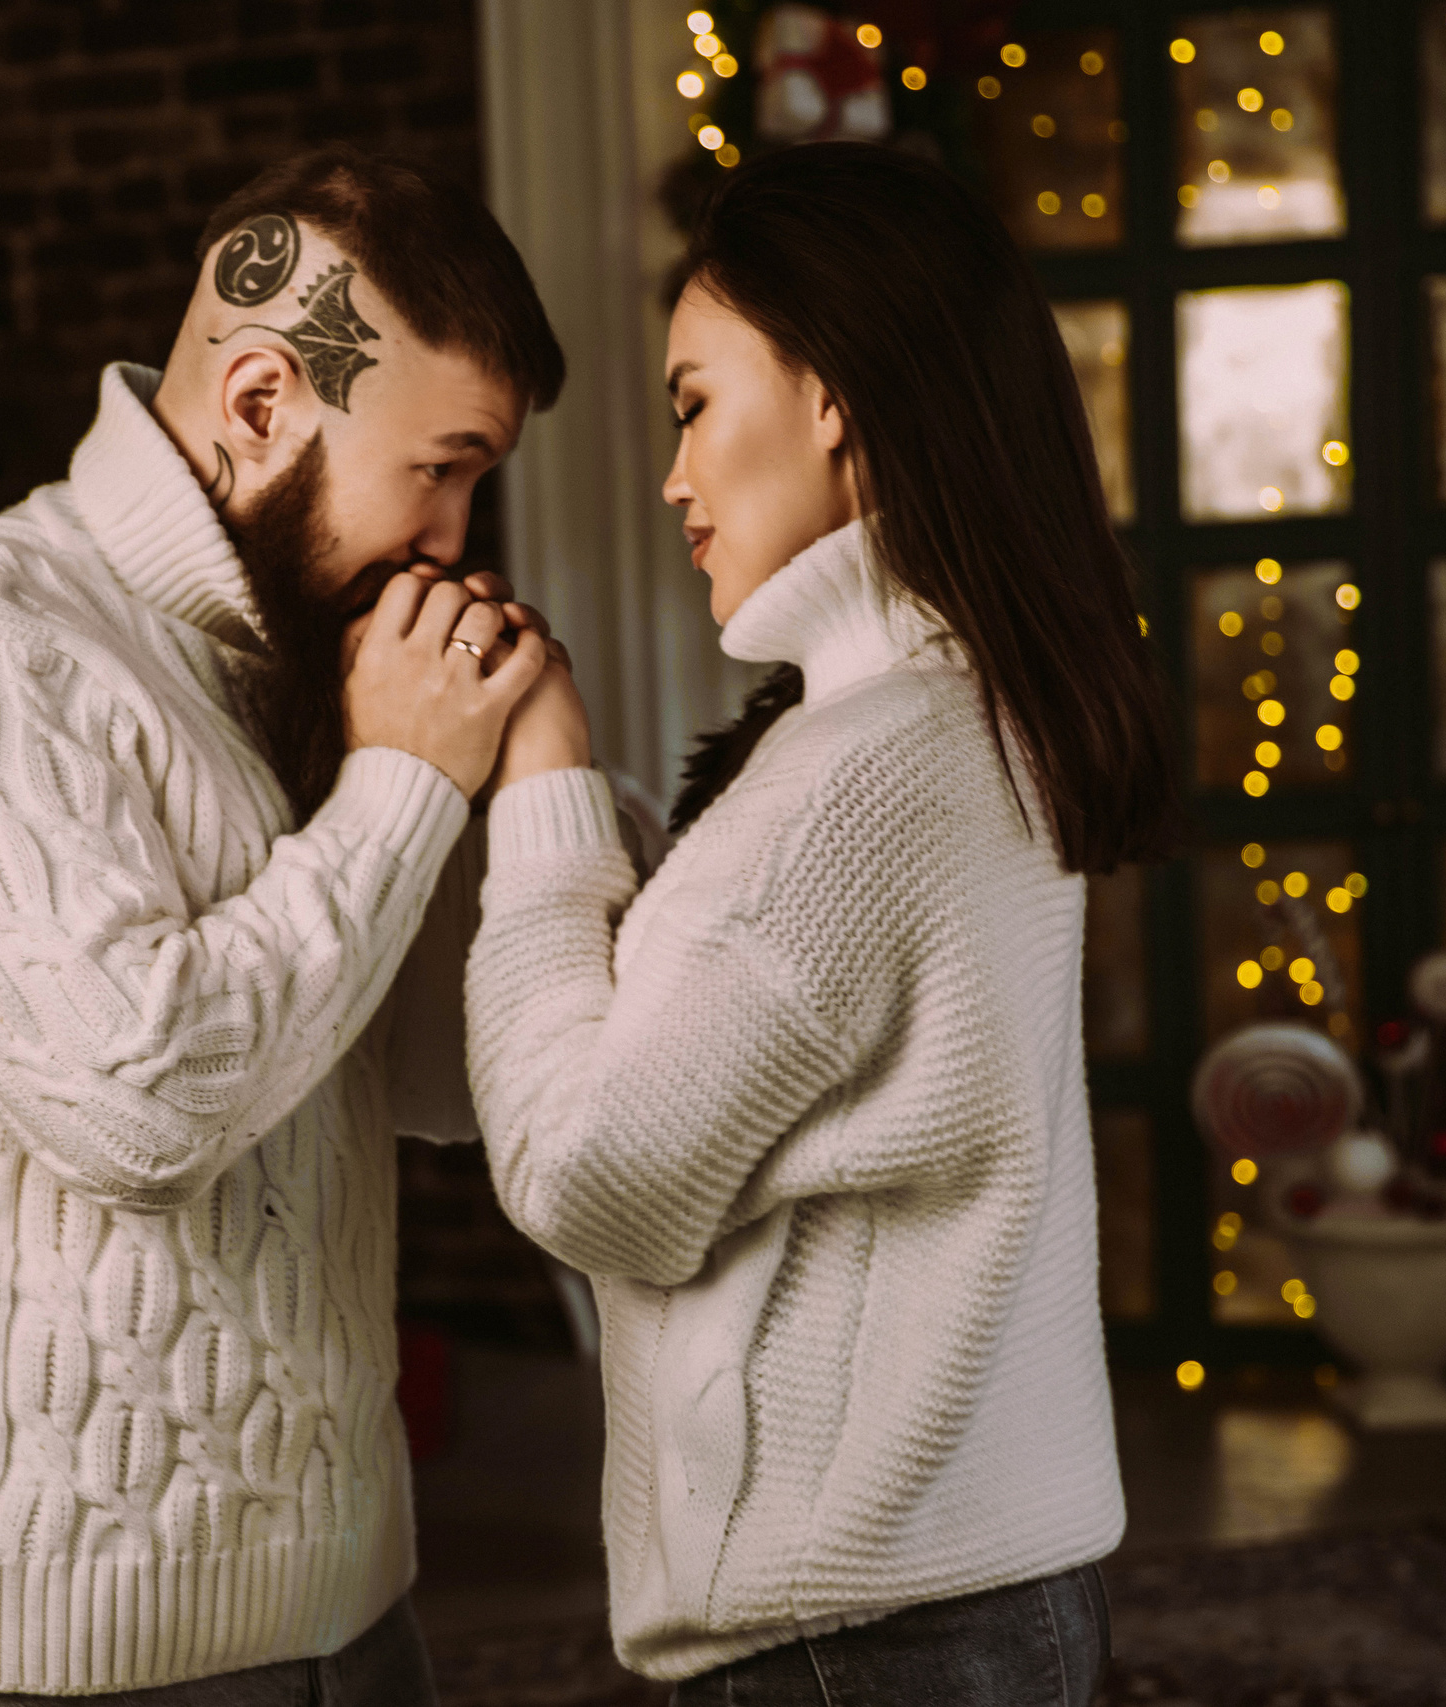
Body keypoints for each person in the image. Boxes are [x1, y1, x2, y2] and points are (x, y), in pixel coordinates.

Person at [0, 146, 564, 1705]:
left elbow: (427, 1084)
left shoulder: (294, 650)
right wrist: (408, 781)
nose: (459, 539)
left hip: (356, 1613)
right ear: (264, 401)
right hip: (58, 1663)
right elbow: (141, 1101)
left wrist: (518, 780)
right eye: (443, 466)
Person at [463, 141, 1182, 1705]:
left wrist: (540, 789)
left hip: (858, 1639)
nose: (672, 475)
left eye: (693, 403)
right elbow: (747, 1013)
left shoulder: (862, 773)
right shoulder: (945, 714)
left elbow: (591, 1182)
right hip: (961, 1600)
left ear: (834, 394)